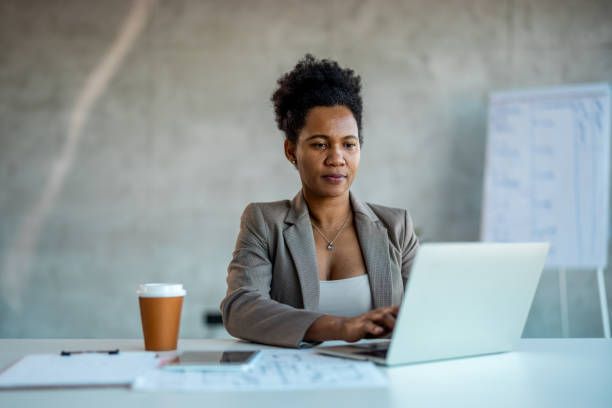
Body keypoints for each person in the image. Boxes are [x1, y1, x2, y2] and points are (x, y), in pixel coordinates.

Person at [220, 54, 419, 348]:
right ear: (291, 151)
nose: (336, 158)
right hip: (296, 382)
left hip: (375, 382)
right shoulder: (264, 222)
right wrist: (340, 327)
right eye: (320, 144)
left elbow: (429, 309)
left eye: (348, 145)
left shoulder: (396, 226)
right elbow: (240, 309)